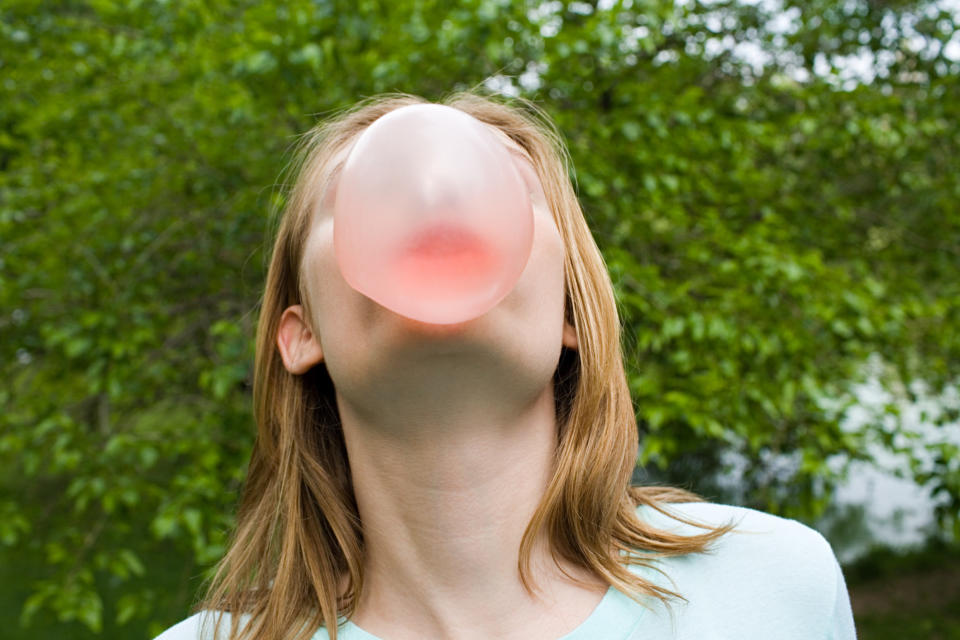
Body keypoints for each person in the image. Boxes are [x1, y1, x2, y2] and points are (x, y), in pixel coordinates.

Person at [154, 91, 857, 640]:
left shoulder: (775, 587)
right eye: (372, 192)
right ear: (300, 335)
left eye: (496, 192)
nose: (436, 215)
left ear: (569, 317)